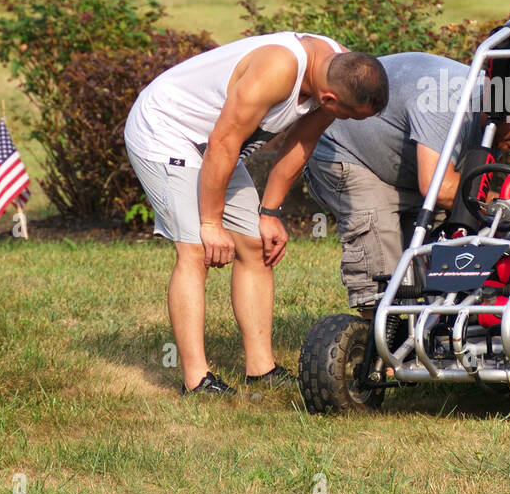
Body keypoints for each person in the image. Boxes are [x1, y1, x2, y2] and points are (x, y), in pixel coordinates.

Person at [124, 32, 387, 395]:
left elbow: (301, 142)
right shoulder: (277, 69)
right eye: (350, 118)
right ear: (330, 99)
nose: (349, 123)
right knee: (196, 249)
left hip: (217, 145)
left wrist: (269, 212)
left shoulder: (339, 70)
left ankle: (261, 369)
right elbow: (223, 142)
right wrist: (211, 223)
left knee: (255, 245)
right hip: (167, 131)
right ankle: (196, 380)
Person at [304, 52, 510, 310]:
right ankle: (372, 336)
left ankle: (424, 332)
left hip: (405, 165)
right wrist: (506, 208)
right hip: (347, 152)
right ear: (506, 105)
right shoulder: (447, 101)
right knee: (384, 263)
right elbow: (438, 188)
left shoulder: (495, 124)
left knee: (427, 261)